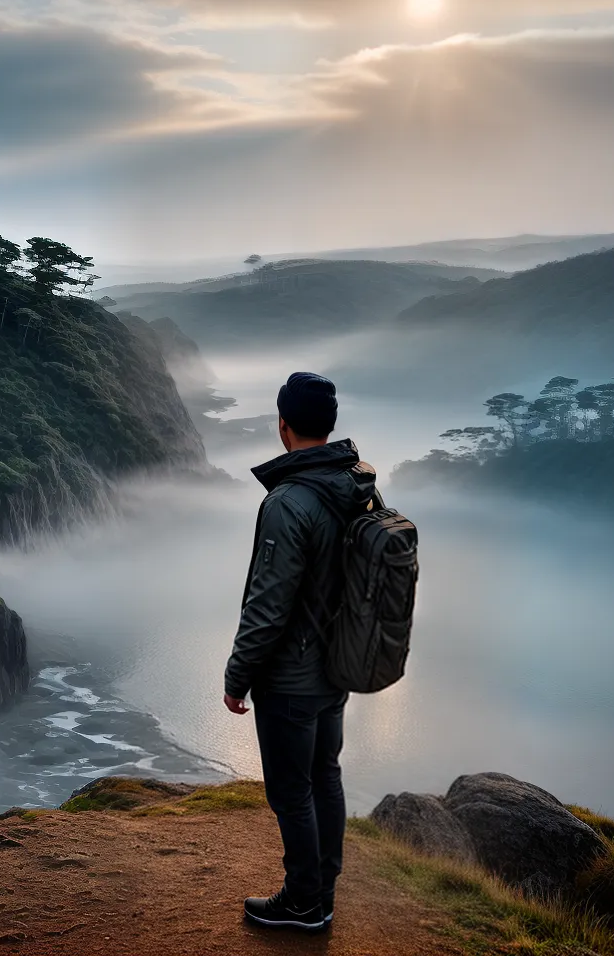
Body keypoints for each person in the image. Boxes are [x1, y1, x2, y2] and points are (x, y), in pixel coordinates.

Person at [223, 371, 377, 931]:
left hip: (291, 675)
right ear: (329, 425)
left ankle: (304, 902)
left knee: (292, 793)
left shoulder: (289, 503)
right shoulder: (358, 485)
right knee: (325, 779)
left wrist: (237, 676)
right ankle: (322, 894)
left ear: (283, 425)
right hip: (337, 664)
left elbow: (268, 607)